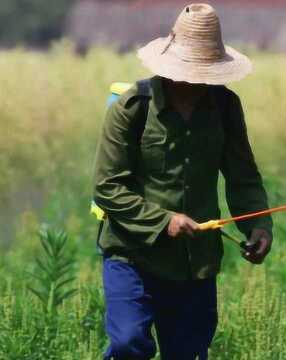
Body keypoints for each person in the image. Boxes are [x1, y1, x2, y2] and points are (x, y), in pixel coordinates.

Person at [92, 4, 273, 359]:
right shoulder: (133, 107)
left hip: (195, 263)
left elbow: (243, 177)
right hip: (133, 255)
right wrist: (164, 221)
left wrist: (259, 226)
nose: (197, 80)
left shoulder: (225, 107)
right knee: (129, 344)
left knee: (188, 353)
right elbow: (108, 187)